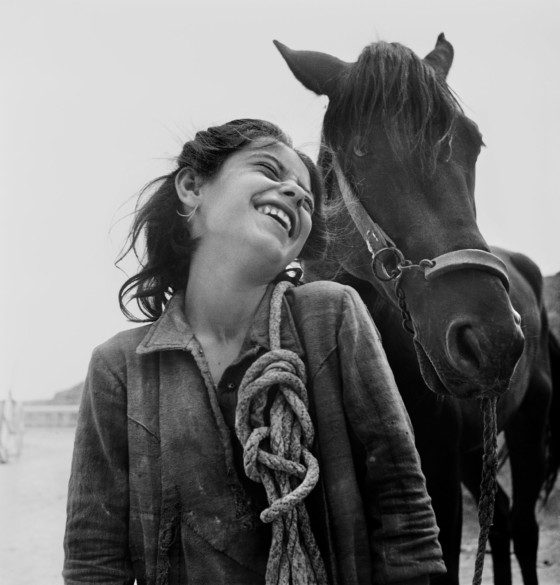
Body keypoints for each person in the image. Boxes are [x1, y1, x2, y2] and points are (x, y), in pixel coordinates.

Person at [63, 118, 446, 585]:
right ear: (191, 187)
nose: (297, 194)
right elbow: (93, 558)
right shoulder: (118, 366)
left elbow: (403, 507)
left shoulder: (332, 315)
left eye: (307, 198)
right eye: (268, 168)